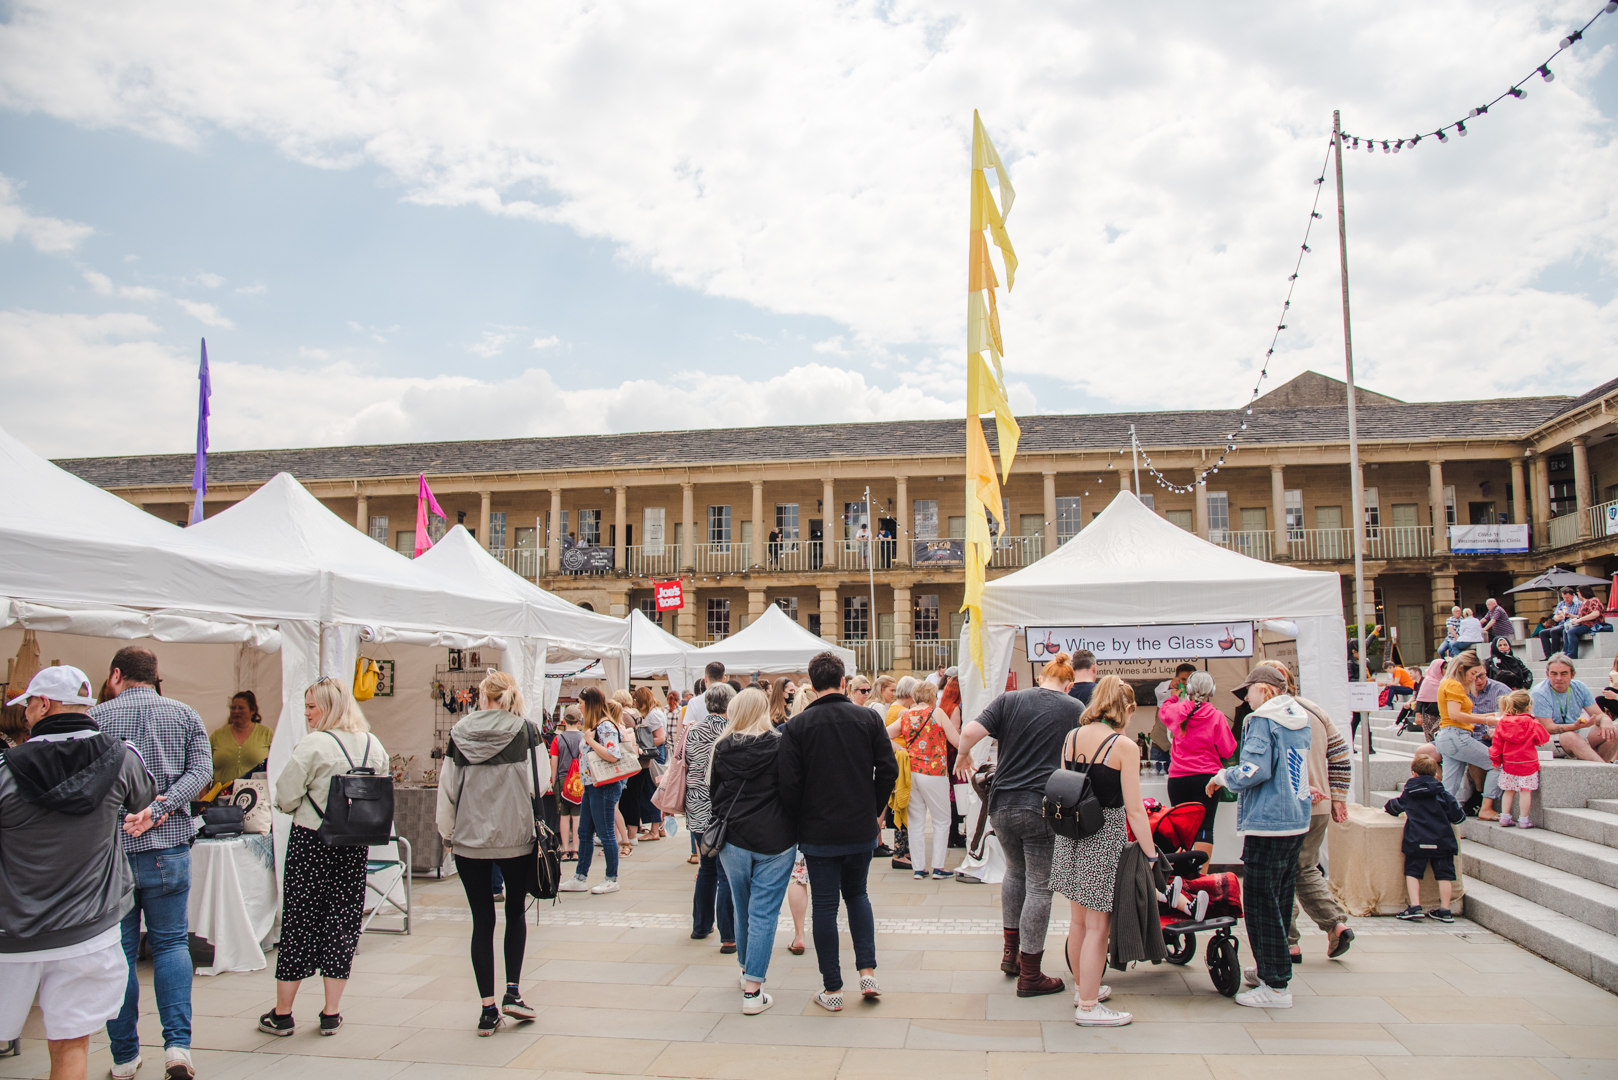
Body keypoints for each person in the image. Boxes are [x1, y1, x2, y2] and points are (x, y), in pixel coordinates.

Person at [0, 667, 155, 1080]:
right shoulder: (123, 757)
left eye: (28, 706)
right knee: (72, 1047)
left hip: (10, 934)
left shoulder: (4, 766)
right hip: (90, 932)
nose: (26, 715)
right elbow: (145, 798)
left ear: (44, 705)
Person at [89, 647, 210, 1080]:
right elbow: (201, 772)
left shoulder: (97, 718)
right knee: (172, 945)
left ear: (115, 674)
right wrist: (161, 807)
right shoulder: (185, 714)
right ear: (155, 676)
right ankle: (178, 1047)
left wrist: (130, 815)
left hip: (113, 852)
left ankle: (124, 1056)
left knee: (118, 953)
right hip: (169, 847)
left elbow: (88, 786)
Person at [259, 676, 388, 1038]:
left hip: (312, 840)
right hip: (354, 842)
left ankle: (283, 1013)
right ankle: (331, 1011)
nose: (307, 713)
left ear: (328, 707)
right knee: (342, 921)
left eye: (312, 706)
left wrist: (300, 805)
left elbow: (285, 794)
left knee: (300, 921)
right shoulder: (372, 744)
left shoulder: (314, 744)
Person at [957, 652, 1085, 997]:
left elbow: (970, 732)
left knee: (1014, 873)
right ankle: (1031, 974)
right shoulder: (1074, 709)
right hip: (1043, 806)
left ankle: (1010, 955)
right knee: (1040, 887)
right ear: (1068, 683)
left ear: (1041, 676)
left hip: (1003, 804)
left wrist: (962, 755)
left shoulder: (1009, 700)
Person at [778, 651, 898, 1013]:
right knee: (858, 896)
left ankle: (832, 987)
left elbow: (789, 784)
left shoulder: (796, 727)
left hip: (817, 830)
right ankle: (868, 971)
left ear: (812, 686)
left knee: (826, 907)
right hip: (859, 825)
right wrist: (875, 810)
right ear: (843, 682)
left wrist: (799, 819)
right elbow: (888, 770)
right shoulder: (866, 719)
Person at [437, 670, 542, 1035]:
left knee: (481, 921)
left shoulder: (459, 732)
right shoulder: (526, 731)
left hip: (470, 837)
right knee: (515, 912)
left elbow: (447, 790)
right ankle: (513, 991)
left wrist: (447, 834)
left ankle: (487, 1008)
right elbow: (539, 782)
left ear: (482, 697)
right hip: (515, 835)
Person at [1050, 676, 1158, 1026]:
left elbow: (1069, 786)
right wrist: (1151, 852)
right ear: (1125, 708)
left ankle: (1083, 988)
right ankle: (1089, 1007)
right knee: (1099, 926)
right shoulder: (1123, 746)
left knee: (1079, 921)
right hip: (1103, 835)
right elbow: (1135, 809)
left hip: (1071, 833)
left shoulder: (1071, 737)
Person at [1208, 665, 1312, 1010]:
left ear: (1264, 689)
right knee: (1280, 897)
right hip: (1295, 818)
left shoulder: (1263, 720)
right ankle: (1271, 970)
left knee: (1259, 902)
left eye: (1248, 691)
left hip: (1267, 821)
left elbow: (1254, 770)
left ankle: (1276, 984)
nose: (1246, 699)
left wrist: (1223, 777)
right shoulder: (1299, 717)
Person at [708, 688, 796, 1014]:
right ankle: (752, 990)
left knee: (742, 907)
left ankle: (747, 969)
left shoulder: (722, 747)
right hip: (777, 839)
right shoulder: (779, 745)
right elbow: (791, 791)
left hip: (734, 839)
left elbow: (714, 794)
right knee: (764, 914)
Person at [559, 688, 629, 894]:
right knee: (585, 832)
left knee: (606, 833)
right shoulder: (595, 725)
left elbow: (612, 754)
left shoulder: (604, 726)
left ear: (589, 704)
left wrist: (589, 741)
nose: (578, 706)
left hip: (603, 786)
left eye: (580, 702)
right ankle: (580, 877)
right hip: (592, 786)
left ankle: (611, 878)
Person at [887, 681, 959, 880]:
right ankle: (938, 867)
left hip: (912, 773)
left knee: (916, 822)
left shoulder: (906, 715)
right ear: (931, 696)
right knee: (942, 820)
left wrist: (901, 749)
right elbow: (957, 741)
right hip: (934, 772)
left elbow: (883, 735)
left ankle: (918, 868)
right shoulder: (937, 713)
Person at [1160, 671, 1236, 859]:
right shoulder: (1216, 716)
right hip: (1206, 778)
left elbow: (1164, 712)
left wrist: (1173, 698)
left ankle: (1182, 876)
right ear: (1212, 690)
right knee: (1205, 827)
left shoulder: (1178, 711)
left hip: (1178, 778)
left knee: (1181, 827)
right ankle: (1200, 877)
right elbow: (1228, 750)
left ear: (1189, 689)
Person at [684, 683, 737, 949]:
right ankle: (728, 936)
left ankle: (700, 925)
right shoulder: (731, 730)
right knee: (724, 871)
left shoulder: (693, 730)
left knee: (706, 867)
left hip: (696, 804)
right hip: (721, 805)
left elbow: (684, 762)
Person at [1384, 755, 1465, 922]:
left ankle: (1415, 906)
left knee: (1413, 872)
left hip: (1417, 839)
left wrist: (1388, 807)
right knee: (1445, 874)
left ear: (1413, 774)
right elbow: (1458, 817)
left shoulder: (1410, 794)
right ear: (1436, 775)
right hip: (1442, 840)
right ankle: (1445, 909)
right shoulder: (1443, 794)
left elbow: (1395, 807)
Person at [1434, 653, 1502, 807]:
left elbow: (1457, 714)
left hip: (1448, 736)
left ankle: (1439, 816)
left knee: (1449, 786)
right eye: (1473, 674)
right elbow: (1456, 715)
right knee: (1497, 765)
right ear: (1462, 669)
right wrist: (1486, 720)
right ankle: (1487, 807)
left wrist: (1488, 715)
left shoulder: (1447, 682)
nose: (1474, 678)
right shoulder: (1454, 685)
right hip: (1456, 735)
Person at [1533, 654, 1614, 762]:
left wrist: (1606, 720)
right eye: (1554, 673)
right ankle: (1605, 772)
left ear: (1573, 674)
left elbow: (1598, 714)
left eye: (1564, 673)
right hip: (1544, 739)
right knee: (1571, 738)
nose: (1558, 678)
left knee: (1613, 731)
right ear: (1547, 674)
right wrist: (1574, 726)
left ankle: (1599, 771)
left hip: (1574, 732)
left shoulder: (1580, 687)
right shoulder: (1539, 692)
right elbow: (1548, 728)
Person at [1490, 689, 1550, 828]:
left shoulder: (1503, 722)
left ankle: (1504, 817)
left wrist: (1495, 760)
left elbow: (1497, 745)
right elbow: (1543, 739)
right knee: (1525, 791)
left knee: (1508, 790)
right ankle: (1523, 819)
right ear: (1528, 706)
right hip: (1528, 763)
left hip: (1509, 763)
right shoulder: (1531, 722)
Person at [209, 690, 272, 787]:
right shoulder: (217, 735)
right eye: (233, 708)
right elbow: (204, 770)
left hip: (255, 797)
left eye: (241, 708)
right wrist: (204, 798)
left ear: (253, 710)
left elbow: (277, 767)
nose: (236, 711)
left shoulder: (266, 734)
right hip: (220, 798)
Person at [630, 686, 668, 841]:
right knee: (656, 791)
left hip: (654, 755)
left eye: (637, 701)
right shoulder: (657, 711)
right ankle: (660, 827)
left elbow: (660, 737)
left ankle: (654, 831)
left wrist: (643, 744)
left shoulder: (652, 715)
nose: (635, 704)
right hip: (658, 754)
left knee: (652, 791)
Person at [550, 706, 584, 860]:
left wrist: (554, 781)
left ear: (564, 720)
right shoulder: (583, 738)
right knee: (576, 816)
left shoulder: (558, 739)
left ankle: (564, 851)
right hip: (579, 780)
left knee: (564, 816)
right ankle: (576, 850)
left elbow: (554, 763)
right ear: (579, 720)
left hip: (562, 780)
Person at [1537, 588, 1581, 661]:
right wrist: (1557, 617)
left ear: (1573, 596)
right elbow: (1555, 617)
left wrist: (1569, 615)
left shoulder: (1578, 604)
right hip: (1561, 624)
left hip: (1570, 624)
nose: (1566, 599)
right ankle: (1548, 655)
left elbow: (1579, 616)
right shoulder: (1561, 603)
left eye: (1568, 598)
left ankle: (1555, 655)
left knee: (1554, 631)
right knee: (1542, 633)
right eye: (1564, 598)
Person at [1564, 586, 1608, 658]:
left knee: (1572, 632)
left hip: (1592, 625)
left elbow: (1596, 613)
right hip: (1584, 624)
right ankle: (1566, 653)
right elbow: (1582, 616)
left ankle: (1572, 655)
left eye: (1578, 592)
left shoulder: (1593, 601)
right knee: (1565, 631)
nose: (1577, 594)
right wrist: (1571, 616)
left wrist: (1580, 620)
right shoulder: (1585, 602)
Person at [1413, 656, 1446, 741]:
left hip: (1443, 715)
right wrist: (1418, 715)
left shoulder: (1446, 682)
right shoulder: (1428, 681)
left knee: (1438, 734)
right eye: (1445, 668)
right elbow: (1420, 699)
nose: (1446, 671)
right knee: (1431, 739)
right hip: (1429, 715)